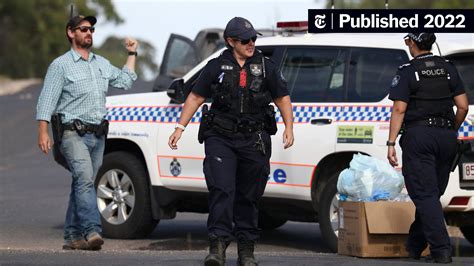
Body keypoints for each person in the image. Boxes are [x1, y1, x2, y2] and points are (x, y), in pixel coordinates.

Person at [168, 17, 294, 266]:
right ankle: (217, 247)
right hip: (221, 137)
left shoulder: (266, 66)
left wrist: (289, 127)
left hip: (254, 139)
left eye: (253, 39)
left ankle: (246, 250)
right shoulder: (216, 66)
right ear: (230, 42)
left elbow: (282, 97)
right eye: (245, 40)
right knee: (222, 190)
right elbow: (195, 97)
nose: (251, 44)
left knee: (249, 196)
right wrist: (180, 127)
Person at [36, 15, 138, 251]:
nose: (89, 32)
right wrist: (43, 131)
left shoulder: (100, 63)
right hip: (72, 133)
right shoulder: (60, 65)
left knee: (84, 182)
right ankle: (92, 230)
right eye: (83, 29)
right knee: (84, 180)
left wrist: (132, 54)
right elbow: (46, 101)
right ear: (71, 33)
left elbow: (124, 81)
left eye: (91, 29)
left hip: (98, 134)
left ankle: (72, 236)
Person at [387, 33, 468, 263]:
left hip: (420, 136)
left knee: (425, 195)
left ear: (413, 43)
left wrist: (391, 142)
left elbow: (399, 110)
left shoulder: (407, 71)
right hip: (447, 136)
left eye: (407, 42)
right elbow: (462, 106)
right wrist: (451, 129)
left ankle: (441, 250)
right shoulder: (448, 68)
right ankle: (414, 245)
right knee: (431, 195)